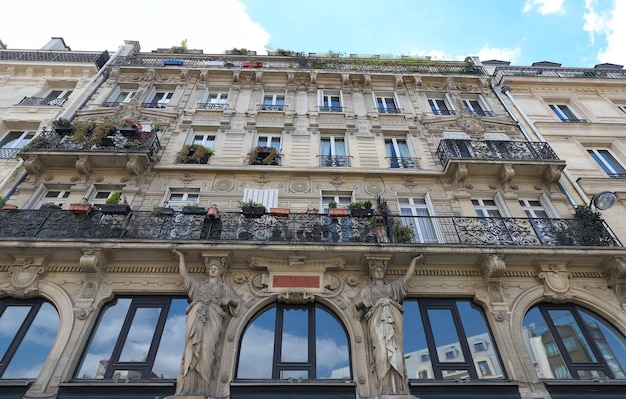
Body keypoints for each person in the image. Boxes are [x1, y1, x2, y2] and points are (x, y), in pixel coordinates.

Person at [171, 248, 241, 396]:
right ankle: (189, 388)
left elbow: (237, 301)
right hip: (196, 319)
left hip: (213, 319)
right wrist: (181, 258)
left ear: (221, 271)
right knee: (191, 349)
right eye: (211, 268)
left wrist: (229, 299)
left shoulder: (224, 288)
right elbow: (185, 276)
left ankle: (203, 385)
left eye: (216, 268)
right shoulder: (199, 286)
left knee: (207, 350)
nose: (213, 270)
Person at [354, 255, 422, 395]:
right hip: (377, 322)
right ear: (372, 273)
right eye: (376, 269)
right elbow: (355, 304)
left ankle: (398, 386)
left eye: (381, 269)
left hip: (392, 321)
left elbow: (406, 279)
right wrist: (363, 302)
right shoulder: (367, 290)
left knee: (396, 352)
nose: (379, 271)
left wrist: (414, 261)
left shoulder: (392, 288)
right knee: (381, 352)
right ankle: (384, 386)